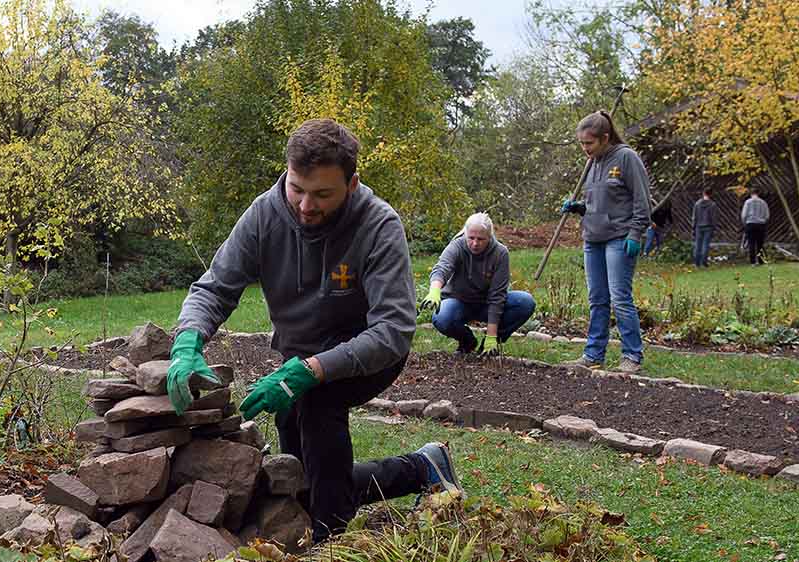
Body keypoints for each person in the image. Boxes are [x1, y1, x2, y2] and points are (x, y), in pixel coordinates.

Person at [164, 118, 463, 544]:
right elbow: (214, 287)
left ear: (352, 183)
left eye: (323, 194)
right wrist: (187, 341)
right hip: (297, 354)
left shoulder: (379, 226)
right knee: (303, 478)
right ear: (287, 172)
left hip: (367, 354)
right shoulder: (264, 215)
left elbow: (394, 330)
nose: (305, 205)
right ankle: (422, 468)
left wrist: (309, 372)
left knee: (319, 407)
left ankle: (327, 543)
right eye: (297, 189)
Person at [559, 111, 651, 374]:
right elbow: (597, 202)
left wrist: (635, 234)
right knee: (597, 299)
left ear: (605, 138)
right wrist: (579, 207)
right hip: (593, 238)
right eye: (581, 144)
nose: (584, 149)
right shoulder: (593, 162)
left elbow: (642, 201)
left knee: (620, 298)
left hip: (619, 239)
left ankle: (631, 355)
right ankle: (593, 354)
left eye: (589, 143)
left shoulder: (626, 158)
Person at [419, 212, 536, 357]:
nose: (475, 243)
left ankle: (490, 345)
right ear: (465, 234)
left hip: (485, 304)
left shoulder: (500, 253)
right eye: (471, 238)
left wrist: (492, 335)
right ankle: (467, 342)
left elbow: (497, 296)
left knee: (525, 302)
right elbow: (442, 268)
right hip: (458, 302)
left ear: (489, 237)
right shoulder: (457, 246)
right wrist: (435, 290)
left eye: (481, 239)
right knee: (442, 317)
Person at [741, 188, 770, 265]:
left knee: (751, 243)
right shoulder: (763, 203)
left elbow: (744, 215)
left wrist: (745, 223)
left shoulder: (747, 202)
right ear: (758, 193)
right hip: (761, 224)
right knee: (760, 244)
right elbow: (767, 215)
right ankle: (760, 260)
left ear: (751, 193)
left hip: (750, 224)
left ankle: (752, 262)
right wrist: (763, 221)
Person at [691, 188, 717, 267]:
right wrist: (714, 227)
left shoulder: (697, 204)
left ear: (703, 193)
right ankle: (704, 262)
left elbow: (694, 217)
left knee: (697, 245)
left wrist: (693, 227)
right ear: (711, 194)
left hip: (698, 226)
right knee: (705, 245)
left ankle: (696, 262)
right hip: (708, 226)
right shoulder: (712, 205)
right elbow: (714, 218)